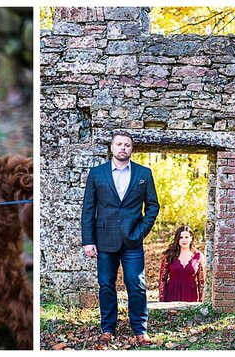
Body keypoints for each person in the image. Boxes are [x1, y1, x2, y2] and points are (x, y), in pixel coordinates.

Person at [81, 131, 159, 345]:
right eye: (119, 144)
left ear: (131, 149)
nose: (123, 148)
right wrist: (88, 240)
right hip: (104, 239)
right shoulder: (97, 174)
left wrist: (141, 229)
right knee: (106, 284)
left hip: (132, 240)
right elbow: (88, 209)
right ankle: (107, 328)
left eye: (127, 145)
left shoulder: (144, 173)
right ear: (112, 148)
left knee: (136, 284)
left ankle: (140, 330)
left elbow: (153, 206)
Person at [158, 226, 206, 302]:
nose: (184, 240)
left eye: (186, 237)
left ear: (191, 238)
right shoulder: (169, 255)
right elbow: (162, 279)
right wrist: (161, 300)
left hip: (191, 294)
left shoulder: (198, 256)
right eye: (181, 237)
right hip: (172, 294)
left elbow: (202, 282)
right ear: (177, 239)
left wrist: (201, 302)